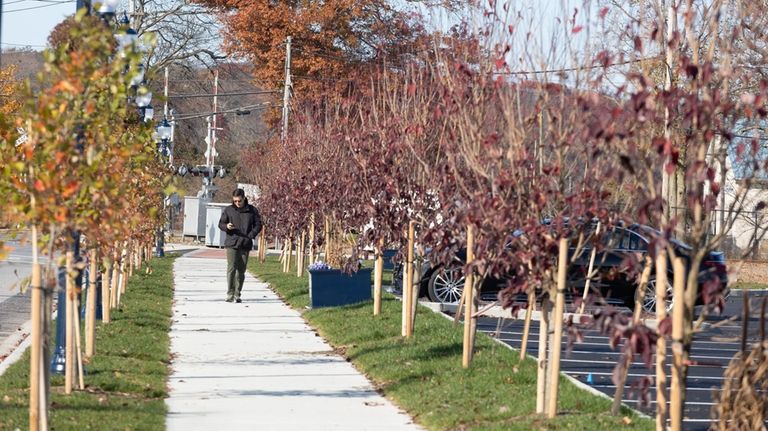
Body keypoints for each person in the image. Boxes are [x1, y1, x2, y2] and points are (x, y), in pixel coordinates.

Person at [218, 188, 263, 303]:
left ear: (244, 198)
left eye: (239, 201)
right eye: (235, 201)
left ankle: (238, 294)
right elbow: (221, 224)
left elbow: (258, 225)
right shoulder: (229, 210)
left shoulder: (252, 210)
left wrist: (251, 235)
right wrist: (226, 226)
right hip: (232, 242)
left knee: (241, 270)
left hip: (245, 243)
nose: (237, 203)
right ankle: (230, 294)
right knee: (231, 268)